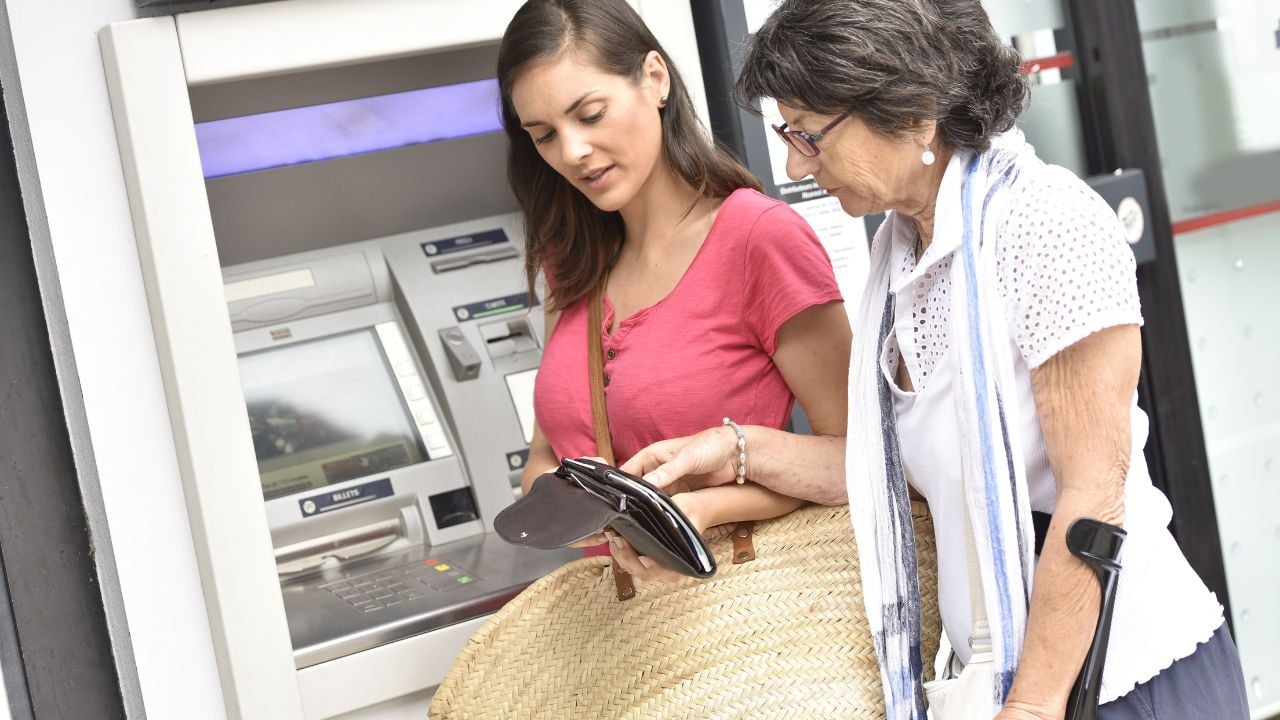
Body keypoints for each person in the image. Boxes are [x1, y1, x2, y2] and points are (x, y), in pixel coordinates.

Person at [622, 0, 1250, 718]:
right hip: (1014, 679)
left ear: (914, 112)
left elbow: (1094, 502)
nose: (794, 163)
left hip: (1116, 679)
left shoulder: (1047, 225)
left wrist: (1033, 706)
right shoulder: (904, 257)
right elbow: (900, 470)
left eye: (809, 134)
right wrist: (734, 451)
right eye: (785, 132)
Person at [496, 0, 852, 582]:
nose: (571, 152)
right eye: (543, 136)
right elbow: (546, 456)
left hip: (740, 610)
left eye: (589, 115)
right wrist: (586, 519)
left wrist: (699, 512)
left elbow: (851, 459)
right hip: (615, 633)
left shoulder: (759, 238)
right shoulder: (573, 258)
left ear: (655, 79)